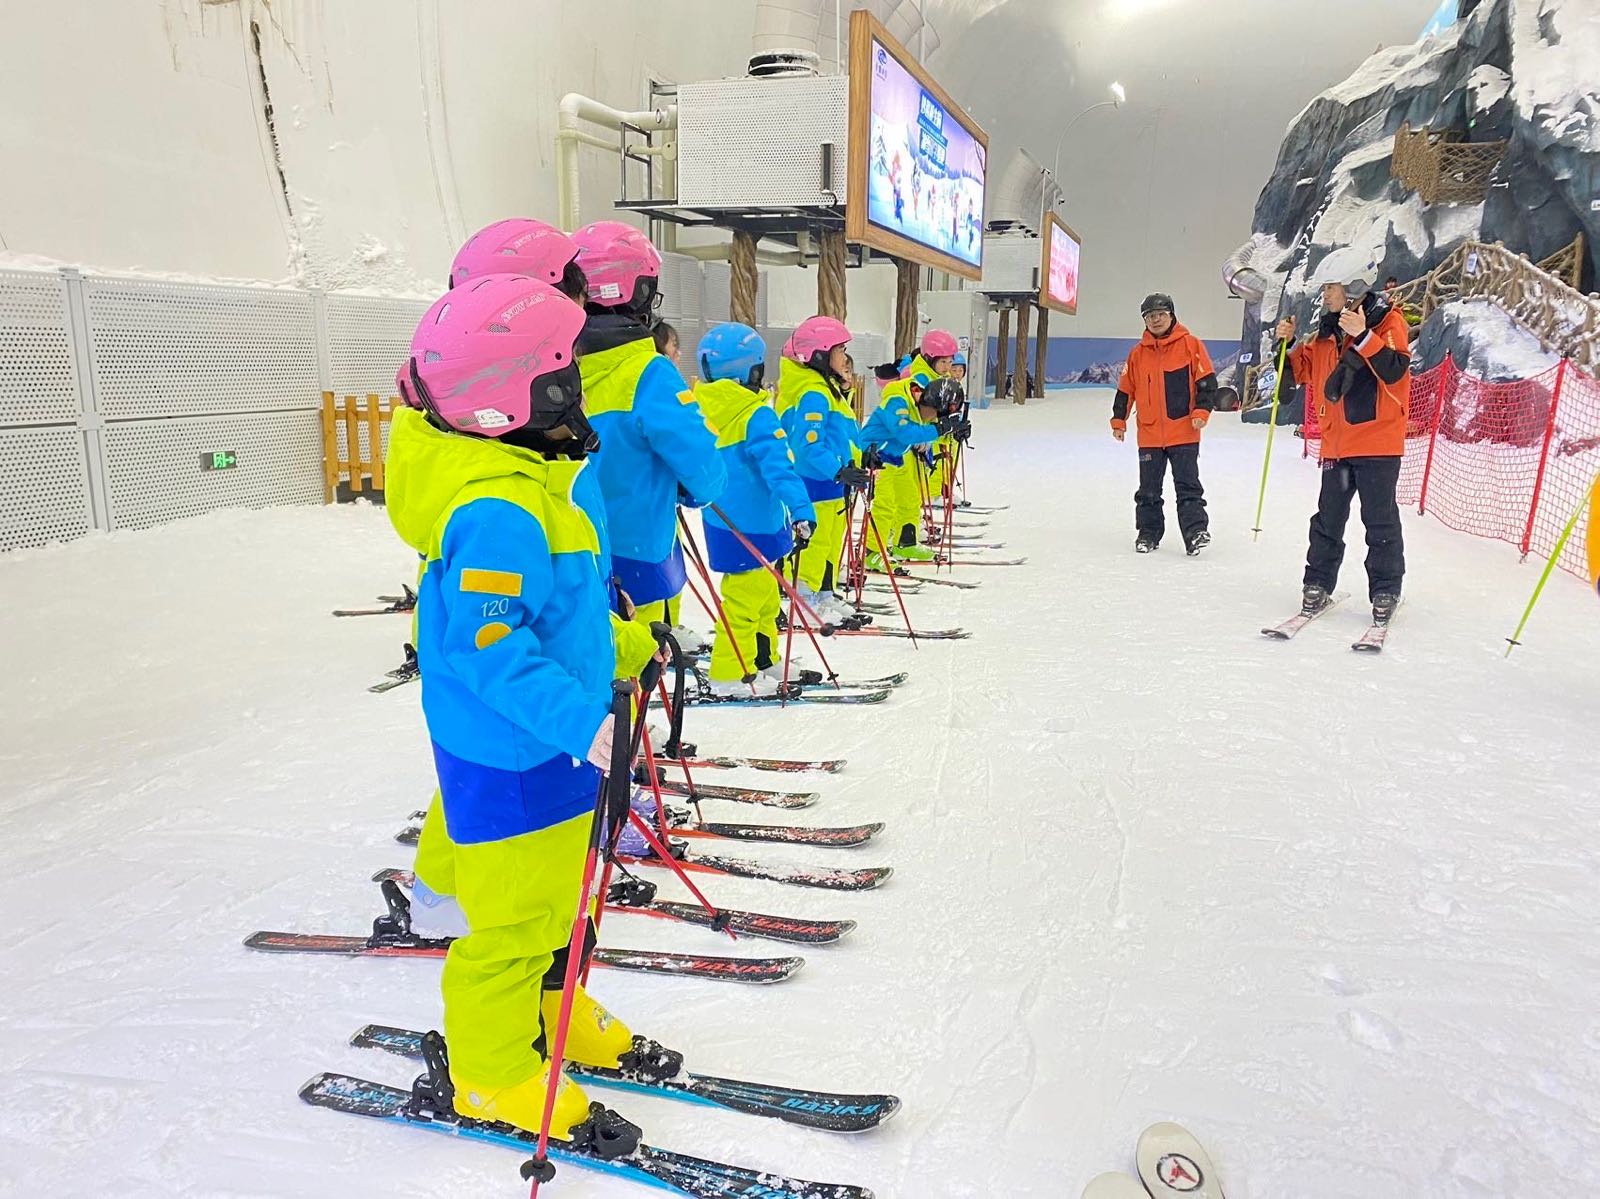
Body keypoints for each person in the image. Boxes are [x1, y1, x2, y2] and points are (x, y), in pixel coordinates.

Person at [385, 273, 627, 1140]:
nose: (579, 393)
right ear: (508, 401)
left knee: (560, 906)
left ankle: (557, 1011)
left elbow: (556, 623)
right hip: (520, 755)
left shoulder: (532, 482)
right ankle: (490, 1073)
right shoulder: (498, 511)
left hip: (551, 747)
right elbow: (488, 648)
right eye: (564, 378)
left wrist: (630, 653)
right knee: (517, 926)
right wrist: (584, 722)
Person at [572, 221, 726, 646]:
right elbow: (703, 464)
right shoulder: (649, 372)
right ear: (636, 293)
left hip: (572, 549)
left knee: (592, 653)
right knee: (637, 657)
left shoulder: (561, 367)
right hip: (635, 549)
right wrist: (693, 488)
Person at [1273, 271, 1411, 623]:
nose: (1325, 295)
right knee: (1327, 519)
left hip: (1377, 442)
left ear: (1352, 288)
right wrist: (1284, 346)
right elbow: (1298, 374)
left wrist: (1362, 336)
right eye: (1324, 288)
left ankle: (1385, 589)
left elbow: (1395, 370)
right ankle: (1317, 584)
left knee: (1379, 520)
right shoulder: (1324, 334)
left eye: (1330, 287)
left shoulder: (1388, 321)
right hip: (1336, 444)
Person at [694, 323, 817, 696]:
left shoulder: (699, 408)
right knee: (746, 602)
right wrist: (802, 510)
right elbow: (781, 468)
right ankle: (730, 673)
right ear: (752, 370)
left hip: (722, 522)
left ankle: (763, 660)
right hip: (758, 524)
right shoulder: (756, 414)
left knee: (761, 596)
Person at [1110, 293, 1217, 555]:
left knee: (1188, 487)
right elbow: (1126, 390)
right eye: (1149, 316)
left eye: (1160, 314)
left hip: (1184, 431)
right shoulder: (1137, 354)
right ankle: (1148, 534)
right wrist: (1118, 420)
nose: (1155, 320)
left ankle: (1195, 533)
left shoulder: (1191, 345)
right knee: (1148, 491)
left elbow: (1207, 383)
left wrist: (1202, 411)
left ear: (1171, 315)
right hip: (1149, 435)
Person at [774, 316, 864, 622]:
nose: (844, 357)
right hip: (815, 481)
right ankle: (805, 597)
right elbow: (808, 445)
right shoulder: (814, 393)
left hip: (832, 482)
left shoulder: (828, 389)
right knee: (815, 542)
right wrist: (838, 470)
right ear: (821, 355)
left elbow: (840, 434)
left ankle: (824, 593)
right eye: (839, 351)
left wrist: (859, 460)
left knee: (829, 540)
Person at [866, 330, 959, 563]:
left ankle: (905, 542)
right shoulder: (909, 384)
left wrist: (950, 426)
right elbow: (908, 425)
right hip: (882, 453)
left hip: (903, 451)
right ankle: (871, 551)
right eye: (943, 361)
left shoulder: (932, 382)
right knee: (886, 502)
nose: (948, 367)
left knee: (909, 498)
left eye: (950, 361)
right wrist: (936, 430)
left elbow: (931, 418)